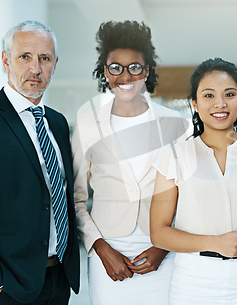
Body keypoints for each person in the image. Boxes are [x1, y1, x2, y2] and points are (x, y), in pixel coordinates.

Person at [0, 20, 80, 304]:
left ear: (54, 64)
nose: (35, 68)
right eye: (25, 57)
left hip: (57, 279)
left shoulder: (57, 123)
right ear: (5, 60)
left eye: (44, 58)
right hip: (6, 286)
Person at [150, 57, 237, 305]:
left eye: (229, 94)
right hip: (193, 281)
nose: (220, 103)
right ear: (194, 103)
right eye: (209, 95)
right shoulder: (173, 156)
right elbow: (159, 234)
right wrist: (215, 243)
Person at [72, 20, 188, 304]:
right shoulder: (87, 124)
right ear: (105, 72)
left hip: (163, 250)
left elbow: (188, 195)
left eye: (135, 67)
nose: (126, 76)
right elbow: (75, 199)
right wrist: (99, 248)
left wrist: (163, 248)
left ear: (146, 71)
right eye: (116, 67)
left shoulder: (175, 125)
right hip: (108, 252)